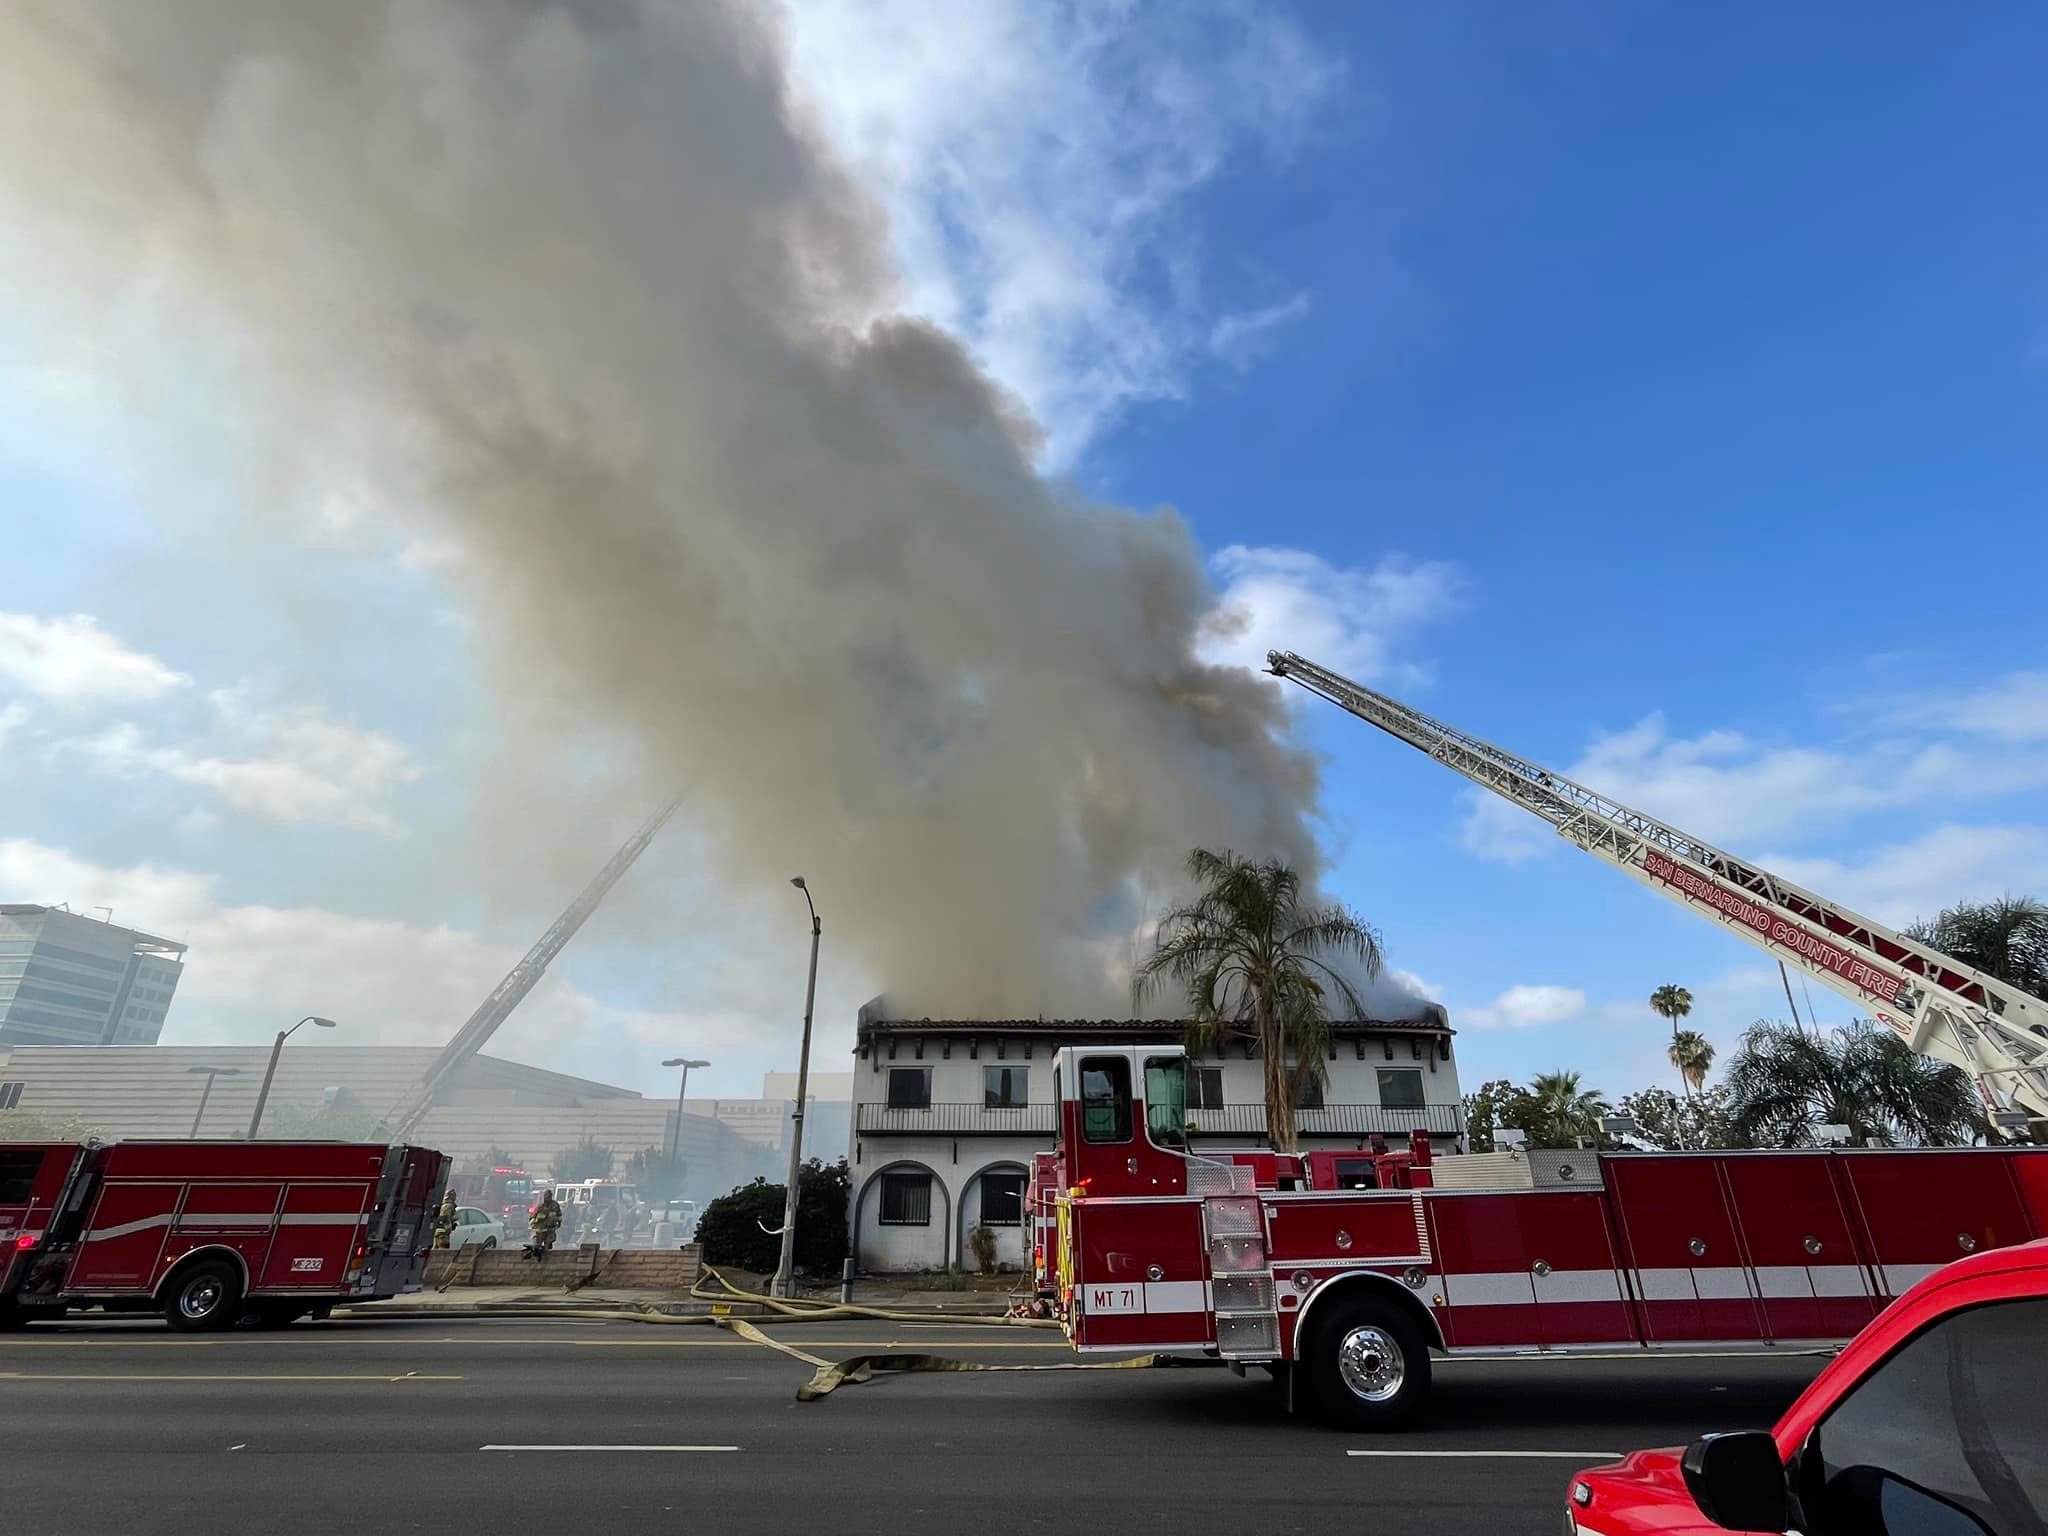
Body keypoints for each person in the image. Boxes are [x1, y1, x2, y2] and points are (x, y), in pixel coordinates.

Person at [525, 1188, 562, 1260]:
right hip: (539, 1230)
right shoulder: (540, 1206)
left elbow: (559, 1215)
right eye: (546, 1196)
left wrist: (559, 1223)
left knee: (548, 1244)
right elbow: (532, 1217)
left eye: (548, 1196)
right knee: (537, 1246)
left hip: (550, 1229)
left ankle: (547, 1257)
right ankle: (536, 1256)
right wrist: (533, 1224)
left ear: (551, 1196)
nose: (547, 1198)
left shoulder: (555, 1205)